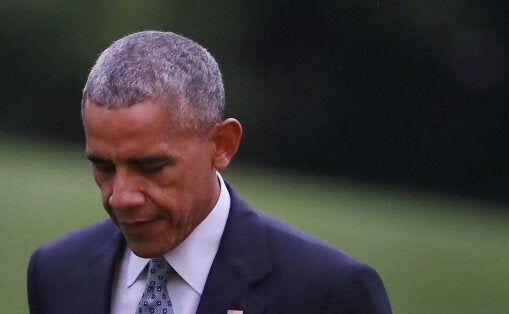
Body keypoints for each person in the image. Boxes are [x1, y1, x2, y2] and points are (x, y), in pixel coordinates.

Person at [27, 31, 392, 314]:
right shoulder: (56, 271)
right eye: (104, 167)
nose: (121, 197)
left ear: (222, 145)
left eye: (150, 166)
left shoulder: (328, 293)